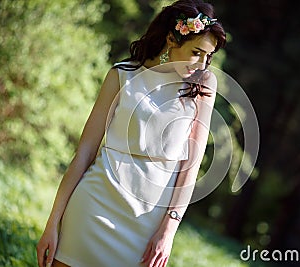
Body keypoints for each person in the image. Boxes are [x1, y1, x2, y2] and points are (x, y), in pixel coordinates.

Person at [36, 0, 226, 266]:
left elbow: (190, 168)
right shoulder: (121, 75)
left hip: (146, 224)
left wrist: (168, 230)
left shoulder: (203, 86)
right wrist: (52, 223)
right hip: (94, 207)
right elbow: (84, 154)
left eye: (208, 56)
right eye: (196, 52)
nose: (202, 64)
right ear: (172, 39)